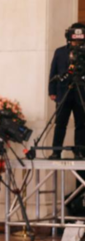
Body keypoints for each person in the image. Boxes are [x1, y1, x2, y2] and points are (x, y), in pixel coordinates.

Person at [49, 22, 85, 160]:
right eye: (74, 38)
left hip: (81, 92)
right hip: (63, 92)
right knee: (60, 123)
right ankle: (56, 151)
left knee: (81, 123)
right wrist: (51, 91)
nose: (76, 41)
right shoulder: (60, 51)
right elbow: (53, 71)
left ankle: (80, 151)